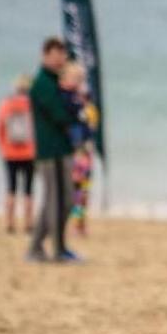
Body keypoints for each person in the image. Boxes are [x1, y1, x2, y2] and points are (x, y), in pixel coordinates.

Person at [25, 38, 79, 263]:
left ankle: (51, 246)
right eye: (56, 54)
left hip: (62, 148)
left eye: (62, 55)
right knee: (53, 201)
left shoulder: (58, 81)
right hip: (49, 151)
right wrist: (75, 115)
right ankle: (48, 248)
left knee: (65, 200)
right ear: (45, 55)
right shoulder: (42, 84)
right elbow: (59, 115)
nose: (60, 59)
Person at [60, 62, 99, 238]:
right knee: (74, 192)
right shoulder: (67, 100)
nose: (78, 82)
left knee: (81, 192)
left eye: (80, 78)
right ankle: (73, 223)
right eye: (75, 77)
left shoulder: (86, 106)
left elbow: (92, 126)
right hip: (75, 154)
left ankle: (79, 223)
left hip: (83, 154)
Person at [0, 74, 36, 234]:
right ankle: (28, 223)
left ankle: (9, 223)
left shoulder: (6, 104)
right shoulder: (32, 105)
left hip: (10, 153)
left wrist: (2, 147)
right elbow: (37, 130)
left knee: (10, 189)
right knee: (28, 190)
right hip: (29, 153)